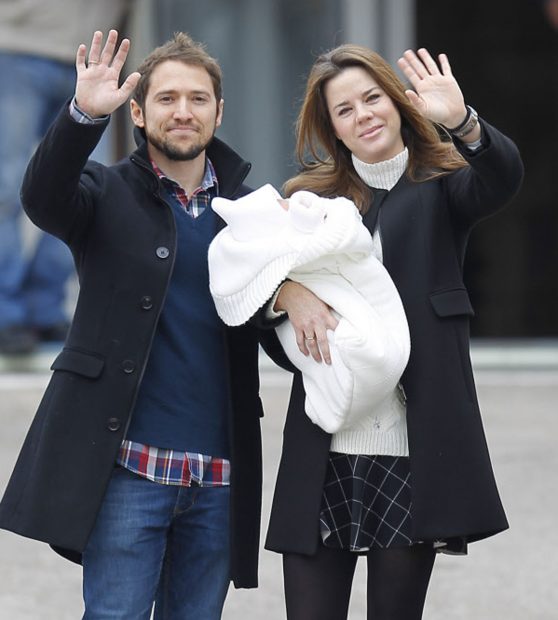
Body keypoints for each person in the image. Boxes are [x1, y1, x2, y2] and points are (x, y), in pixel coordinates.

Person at [0, 30, 270, 619]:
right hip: (129, 469)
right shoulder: (102, 191)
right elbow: (42, 197)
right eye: (167, 98)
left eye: (198, 99)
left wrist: (296, 296)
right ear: (140, 112)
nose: (183, 111)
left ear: (219, 112)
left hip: (220, 474)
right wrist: (81, 118)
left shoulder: (252, 213)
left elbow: (277, 314)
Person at [261, 45, 524, 619]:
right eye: (344, 109)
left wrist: (460, 121)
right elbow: (250, 291)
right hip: (323, 445)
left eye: (372, 98)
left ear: (399, 102)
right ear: (330, 127)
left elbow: (503, 177)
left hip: (410, 448)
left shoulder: (446, 184)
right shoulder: (306, 200)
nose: (364, 115)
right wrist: (286, 295)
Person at [208, 183, 410, 435]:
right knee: (357, 350)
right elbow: (244, 277)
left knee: (370, 350)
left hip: (411, 418)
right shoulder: (310, 188)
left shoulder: (435, 184)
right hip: (328, 444)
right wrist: (284, 293)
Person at [0, 0, 133, 355]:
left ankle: (44, 308)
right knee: (4, 190)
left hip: (93, 59)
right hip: (15, 45)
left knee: (84, 190)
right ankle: (5, 313)